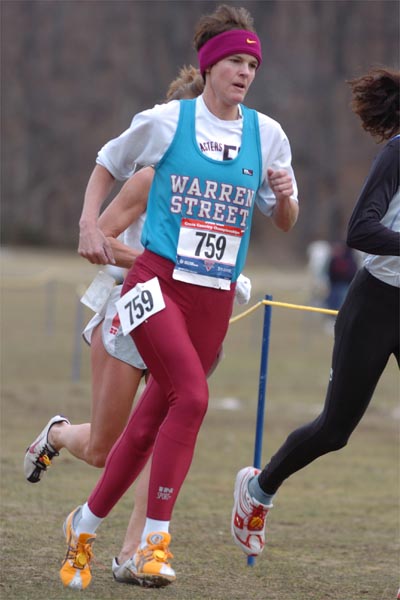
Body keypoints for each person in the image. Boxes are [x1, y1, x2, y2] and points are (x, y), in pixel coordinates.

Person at [57, 4, 299, 591]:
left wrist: (288, 195)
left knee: (150, 425)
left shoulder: (267, 136)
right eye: (235, 62)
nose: (245, 73)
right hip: (153, 282)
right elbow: (105, 164)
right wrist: (91, 223)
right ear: (211, 66)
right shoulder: (166, 122)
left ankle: (83, 528)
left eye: (252, 65)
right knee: (192, 398)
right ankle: (153, 543)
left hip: (212, 300)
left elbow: (286, 222)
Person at [231, 66, 399, 559]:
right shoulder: (396, 152)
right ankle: (258, 490)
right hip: (375, 303)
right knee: (335, 430)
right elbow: (361, 230)